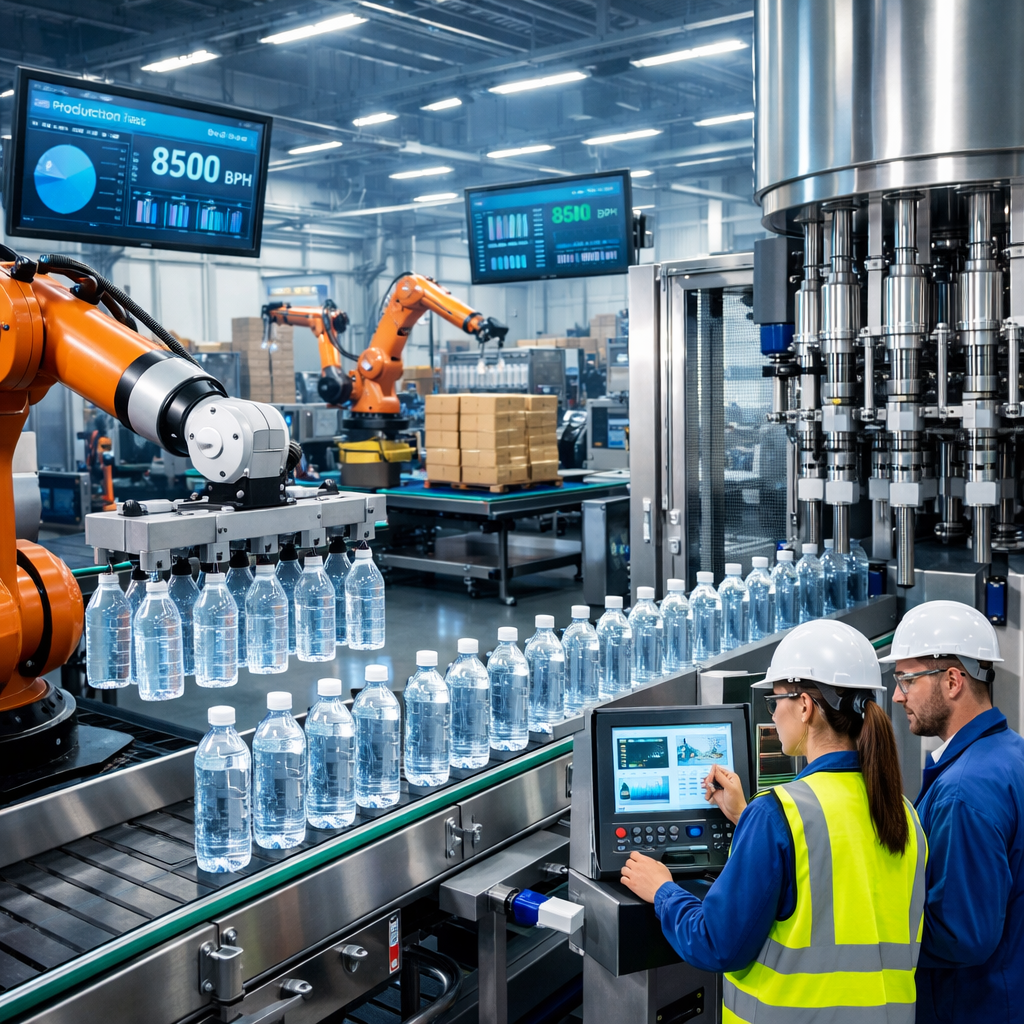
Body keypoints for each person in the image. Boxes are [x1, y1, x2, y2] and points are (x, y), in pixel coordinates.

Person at [620, 620, 926, 1023]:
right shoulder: (903, 812)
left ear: (805, 705)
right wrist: (745, 816)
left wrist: (663, 891)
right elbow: (839, 872)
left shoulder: (779, 814)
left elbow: (715, 943)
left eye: (775, 699)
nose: (775, 712)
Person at [882, 600, 1024, 1023]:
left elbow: (963, 936)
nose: (896, 695)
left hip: (972, 1006)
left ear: (952, 681)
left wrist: (875, 929)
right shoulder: (1010, 754)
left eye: (907, 679)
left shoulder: (964, 792)